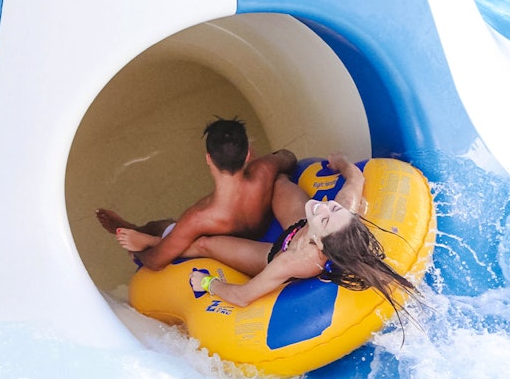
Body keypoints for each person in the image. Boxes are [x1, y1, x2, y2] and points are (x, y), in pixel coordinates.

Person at [186, 153, 418, 313]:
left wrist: (208, 282)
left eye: (326, 216)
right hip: (299, 225)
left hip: (274, 252)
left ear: (318, 242)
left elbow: (242, 296)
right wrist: (341, 162)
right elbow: (356, 177)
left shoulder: (293, 261)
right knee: (275, 182)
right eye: (334, 207)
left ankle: (163, 239)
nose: (324, 205)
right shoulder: (343, 213)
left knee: (205, 244)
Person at [96, 117, 297, 271]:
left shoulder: (200, 216)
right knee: (280, 180)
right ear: (248, 154)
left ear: (208, 159)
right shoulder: (264, 171)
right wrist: (263, 163)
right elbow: (289, 157)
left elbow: (156, 261)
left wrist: (140, 254)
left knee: (162, 226)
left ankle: (137, 232)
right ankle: (141, 234)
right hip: (259, 232)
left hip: (229, 251)